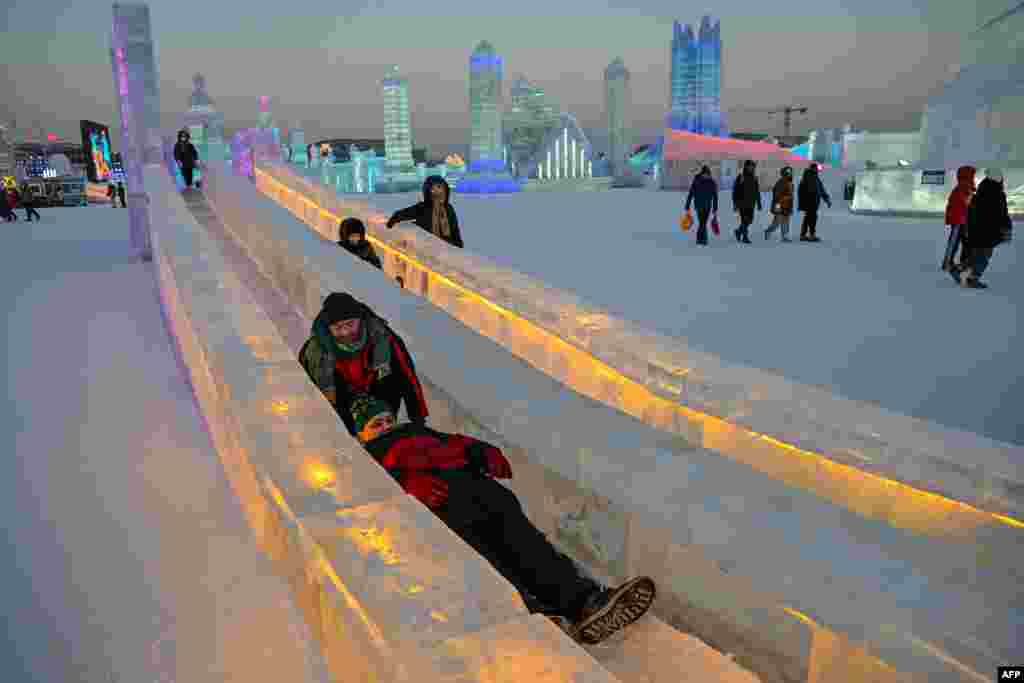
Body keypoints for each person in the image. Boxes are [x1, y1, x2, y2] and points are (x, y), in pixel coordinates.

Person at [350, 396, 657, 645]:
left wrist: (483, 451)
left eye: (389, 419)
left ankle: (586, 603)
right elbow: (372, 494)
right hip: (448, 513)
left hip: (488, 498)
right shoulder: (366, 458)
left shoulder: (420, 432)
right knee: (492, 566)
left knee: (532, 550)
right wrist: (404, 483)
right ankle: (539, 619)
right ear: (361, 434)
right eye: (377, 424)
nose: (387, 427)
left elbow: (457, 444)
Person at [299, 292, 429, 435]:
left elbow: (407, 376)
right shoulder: (315, 352)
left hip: (380, 395)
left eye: (350, 324)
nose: (346, 332)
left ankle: (385, 430)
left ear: (360, 320)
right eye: (338, 328)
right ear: (329, 329)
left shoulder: (383, 338)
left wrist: (418, 417)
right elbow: (308, 394)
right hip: (342, 401)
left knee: (392, 377)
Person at [954, 169, 1012, 289]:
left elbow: (970, 211)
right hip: (989, 231)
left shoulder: (979, 192)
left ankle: (960, 268)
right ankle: (971, 278)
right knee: (983, 256)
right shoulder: (998, 194)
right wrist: (1007, 228)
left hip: (976, 230)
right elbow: (1002, 214)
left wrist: (968, 228)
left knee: (976, 254)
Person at [386, 176, 464, 248]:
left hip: (447, 246)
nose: (437, 192)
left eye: (440, 188)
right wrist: (394, 218)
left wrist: (458, 244)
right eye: (433, 189)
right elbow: (407, 213)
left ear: (445, 190)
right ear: (428, 191)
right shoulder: (424, 207)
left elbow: (454, 228)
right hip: (429, 246)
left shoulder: (448, 208)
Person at [942, 166, 975, 272]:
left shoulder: (966, 186)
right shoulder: (963, 186)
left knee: (966, 242)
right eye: (972, 175)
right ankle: (948, 263)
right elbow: (967, 202)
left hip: (963, 219)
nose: (973, 177)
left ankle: (962, 262)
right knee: (955, 241)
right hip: (959, 219)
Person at [684, 165, 718, 246]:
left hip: (707, 206)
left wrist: (715, 207)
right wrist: (687, 205)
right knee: (702, 222)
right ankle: (703, 239)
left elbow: (715, 196)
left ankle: (700, 238)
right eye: (705, 174)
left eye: (707, 174)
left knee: (703, 222)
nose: (706, 175)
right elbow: (691, 193)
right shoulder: (696, 181)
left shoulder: (712, 182)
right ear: (702, 173)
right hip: (699, 205)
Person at [797, 164, 831, 242]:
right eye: (816, 169)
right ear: (813, 169)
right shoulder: (809, 177)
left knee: (808, 218)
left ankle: (803, 234)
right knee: (812, 218)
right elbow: (806, 191)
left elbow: (821, 190)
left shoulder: (814, 178)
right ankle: (811, 235)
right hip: (810, 202)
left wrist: (826, 199)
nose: (817, 171)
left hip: (813, 202)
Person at [731, 160, 761, 244]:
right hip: (742, 203)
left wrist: (759, 203)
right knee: (744, 220)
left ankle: (738, 231)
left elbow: (757, 191)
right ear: (746, 167)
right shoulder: (741, 177)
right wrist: (735, 204)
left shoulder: (755, 178)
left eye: (753, 167)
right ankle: (745, 237)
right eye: (750, 166)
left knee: (750, 220)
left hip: (751, 203)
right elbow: (735, 191)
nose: (751, 168)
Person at [765, 167, 795, 242]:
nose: (790, 174)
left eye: (790, 172)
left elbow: (791, 196)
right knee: (777, 221)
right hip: (779, 205)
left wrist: (790, 206)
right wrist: (778, 207)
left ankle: (785, 236)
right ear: (784, 173)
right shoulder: (780, 182)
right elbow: (777, 195)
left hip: (787, 205)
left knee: (786, 221)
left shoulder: (790, 183)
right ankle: (768, 231)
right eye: (788, 173)